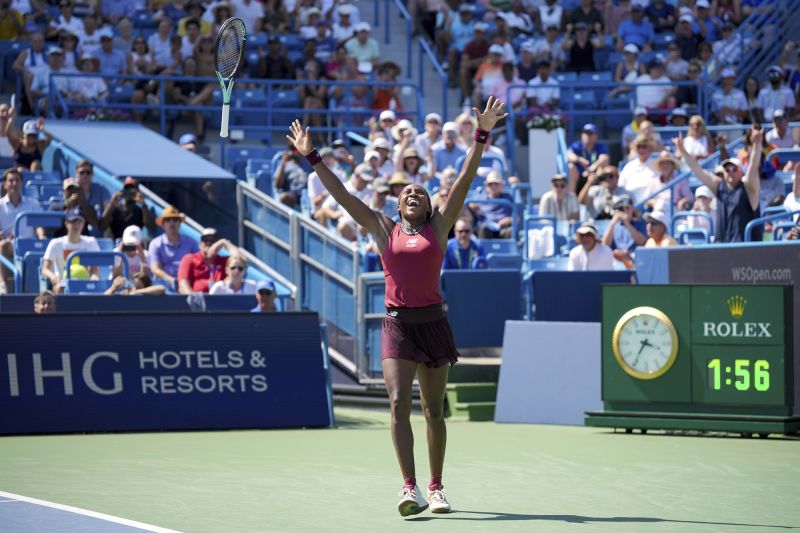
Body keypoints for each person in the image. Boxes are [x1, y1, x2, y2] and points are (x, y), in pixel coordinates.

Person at [286, 97, 507, 517]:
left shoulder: (440, 227)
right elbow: (342, 193)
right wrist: (311, 156)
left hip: (434, 324)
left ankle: (437, 487)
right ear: (397, 204)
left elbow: (463, 179)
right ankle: (410, 489)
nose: (412, 193)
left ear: (427, 206)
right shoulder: (381, 227)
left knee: (432, 411)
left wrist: (481, 135)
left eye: (419, 193)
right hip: (397, 326)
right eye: (406, 192)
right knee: (397, 404)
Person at [674, 126, 763, 242]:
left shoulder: (748, 188)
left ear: (741, 172)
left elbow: (753, 167)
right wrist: (683, 151)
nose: (730, 172)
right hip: (723, 246)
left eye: (734, 169)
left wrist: (757, 144)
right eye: (727, 169)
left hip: (746, 247)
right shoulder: (720, 187)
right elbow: (697, 170)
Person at [41, 207, 100, 293]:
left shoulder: (91, 242)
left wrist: (94, 277)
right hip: (62, 284)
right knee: (59, 289)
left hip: (86, 283)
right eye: (73, 222)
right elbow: (45, 269)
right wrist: (53, 277)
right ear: (66, 223)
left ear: (83, 224)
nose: (76, 225)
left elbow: (95, 269)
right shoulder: (56, 243)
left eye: (79, 222)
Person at [177, 227, 240, 294]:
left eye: (212, 241)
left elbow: (240, 259)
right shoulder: (190, 258)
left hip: (220, 301)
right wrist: (193, 298)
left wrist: (224, 242)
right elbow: (183, 284)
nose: (208, 243)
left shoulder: (224, 261)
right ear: (200, 243)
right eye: (205, 240)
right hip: (198, 300)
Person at [148, 205, 199, 288]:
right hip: (164, 286)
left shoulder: (191, 242)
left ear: (179, 223)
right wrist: (171, 280)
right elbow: (155, 268)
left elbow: (198, 263)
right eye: (168, 220)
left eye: (175, 220)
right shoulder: (155, 243)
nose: (172, 222)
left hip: (188, 283)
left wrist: (183, 281)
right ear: (162, 225)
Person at [469, 171, 514, 239]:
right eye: (490, 184)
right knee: (483, 228)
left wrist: (509, 220)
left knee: (511, 231)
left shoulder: (508, 197)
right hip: (486, 228)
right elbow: (470, 207)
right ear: (486, 186)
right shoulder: (480, 197)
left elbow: (517, 218)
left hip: (503, 228)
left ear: (501, 185)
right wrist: (472, 208)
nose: (493, 186)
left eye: (496, 184)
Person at [567, 123, 609, 193]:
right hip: (580, 177)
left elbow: (605, 158)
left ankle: (603, 194)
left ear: (596, 136)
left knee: (602, 168)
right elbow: (569, 155)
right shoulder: (577, 145)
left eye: (591, 134)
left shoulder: (600, 147)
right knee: (571, 167)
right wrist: (579, 160)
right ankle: (572, 196)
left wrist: (592, 168)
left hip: (594, 175)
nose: (588, 136)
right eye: (586, 133)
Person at [618, 135, 659, 205]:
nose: (641, 150)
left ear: (650, 148)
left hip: (651, 203)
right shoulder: (629, 166)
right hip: (629, 204)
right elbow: (621, 186)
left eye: (644, 147)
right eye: (638, 147)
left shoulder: (657, 165)